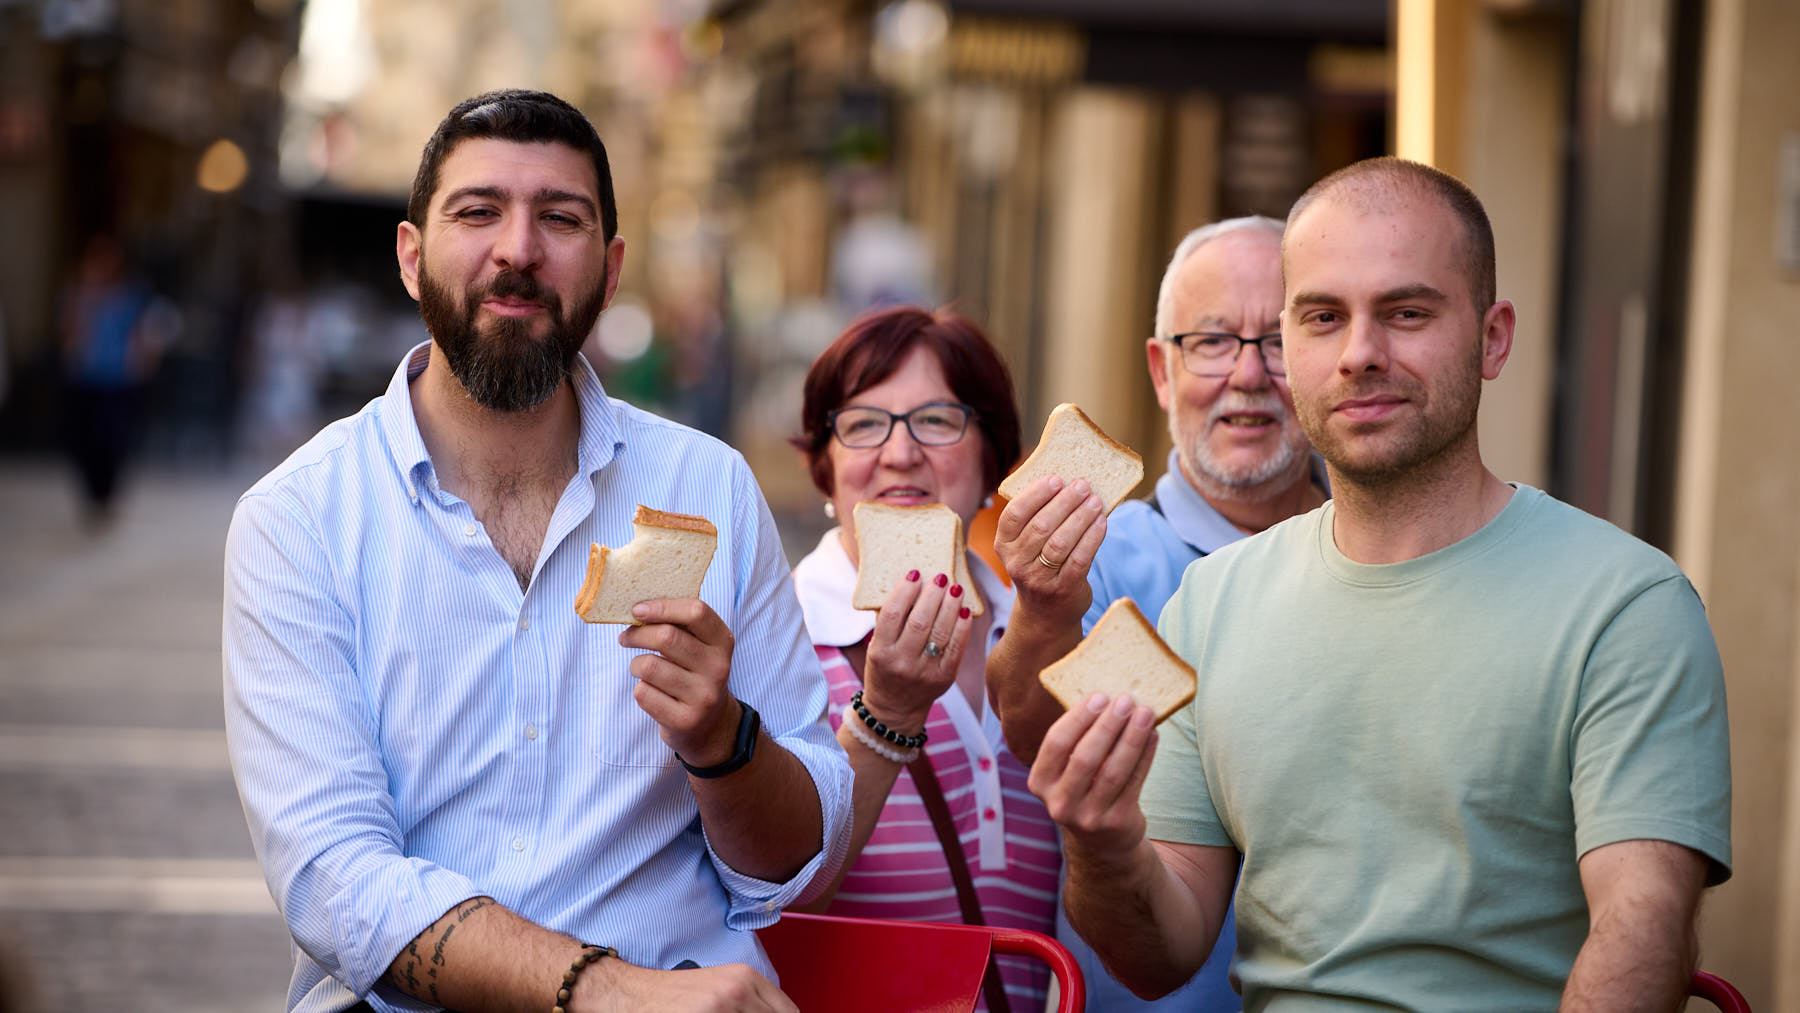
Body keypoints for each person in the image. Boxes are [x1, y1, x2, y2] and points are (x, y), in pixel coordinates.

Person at [1028, 157, 1732, 1011]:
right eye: (1323, 317)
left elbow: (1644, 924)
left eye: (1406, 312)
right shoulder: (1210, 606)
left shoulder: (1625, 606)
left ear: (1493, 336)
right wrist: (1100, 845)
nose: (1361, 354)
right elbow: (1159, 955)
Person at [223, 89, 853, 1013]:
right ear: (410, 256)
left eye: (561, 218)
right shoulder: (299, 519)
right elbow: (334, 876)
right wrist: (606, 992)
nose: (518, 249)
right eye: (478, 212)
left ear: (611, 266)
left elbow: (798, 865)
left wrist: (725, 744)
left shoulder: (707, 489)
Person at [985, 216, 1325, 1010]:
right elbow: (1031, 733)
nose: (1246, 375)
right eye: (1210, 341)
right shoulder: (1097, 553)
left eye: (1276, 340)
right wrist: (1042, 608)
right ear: (1162, 370)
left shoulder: (1382, 557)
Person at [786, 306, 1058, 1011]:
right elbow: (773, 882)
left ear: (992, 458)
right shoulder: (774, 642)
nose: (901, 453)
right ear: (826, 462)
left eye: (937, 420)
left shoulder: (1051, 637)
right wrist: (886, 713)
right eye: (864, 423)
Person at [58, 233, 168, 528]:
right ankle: (92, 495)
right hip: (85, 376)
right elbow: (67, 333)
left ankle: (106, 495)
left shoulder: (133, 295)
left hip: (120, 378)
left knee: (113, 439)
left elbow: (151, 331)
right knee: (83, 439)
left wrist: (144, 361)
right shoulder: (78, 293)